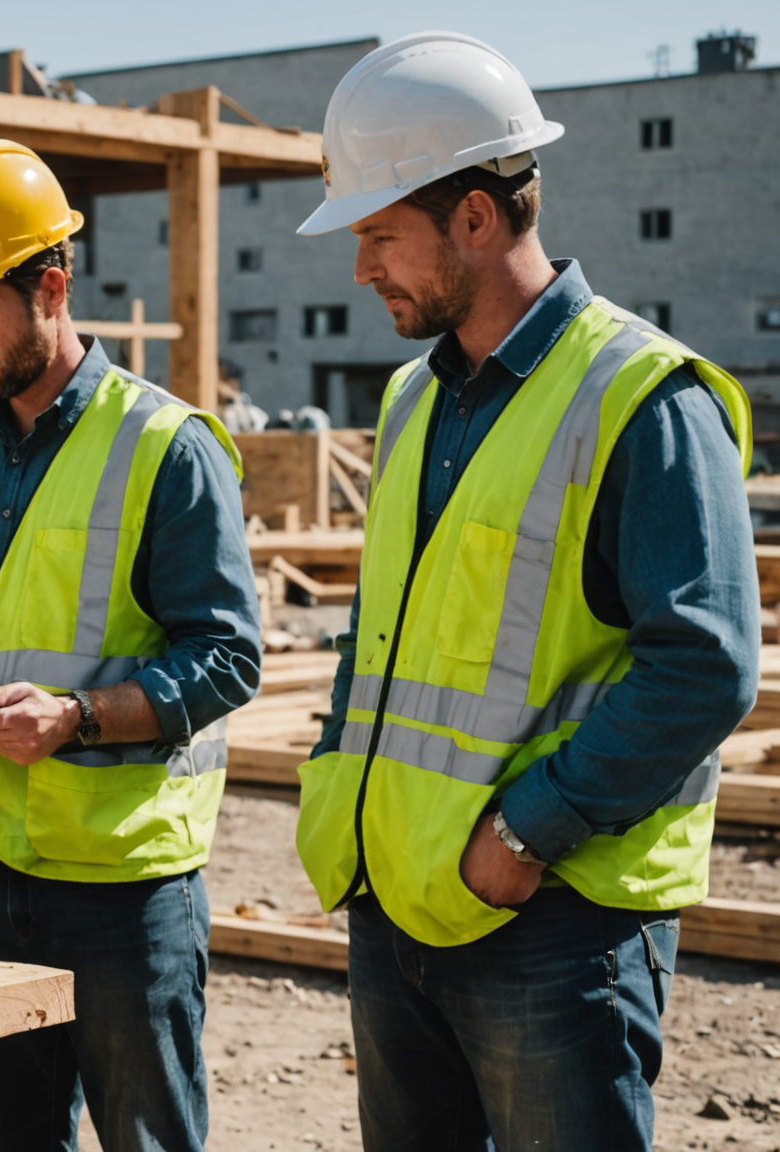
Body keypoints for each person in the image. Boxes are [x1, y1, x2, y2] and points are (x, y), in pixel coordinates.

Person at [292, 33, 758, 1150]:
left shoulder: (641, 396)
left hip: (551, 922)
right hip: (395, 899)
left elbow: (705, 664)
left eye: (378, 235)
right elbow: (386, 635)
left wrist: (528, 832)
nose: (362, 271)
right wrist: (338, 795)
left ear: (474, 217)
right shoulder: (413, 402)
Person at [0, 139, 262, 1152]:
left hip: (121, 890)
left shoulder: (165, 445)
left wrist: (78, 719)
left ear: (51, 286)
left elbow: (228, 654)